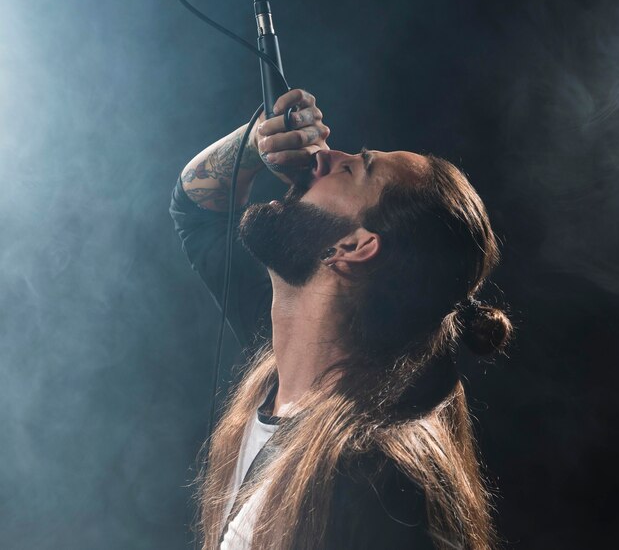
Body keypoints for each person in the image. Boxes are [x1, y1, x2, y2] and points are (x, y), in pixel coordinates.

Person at [170, 88, 513, 550]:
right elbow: (195, 207)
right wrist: (258, 142)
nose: (323, 156)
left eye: (354, 167)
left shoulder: (375, 478)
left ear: (353, 247)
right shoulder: (291, 349)